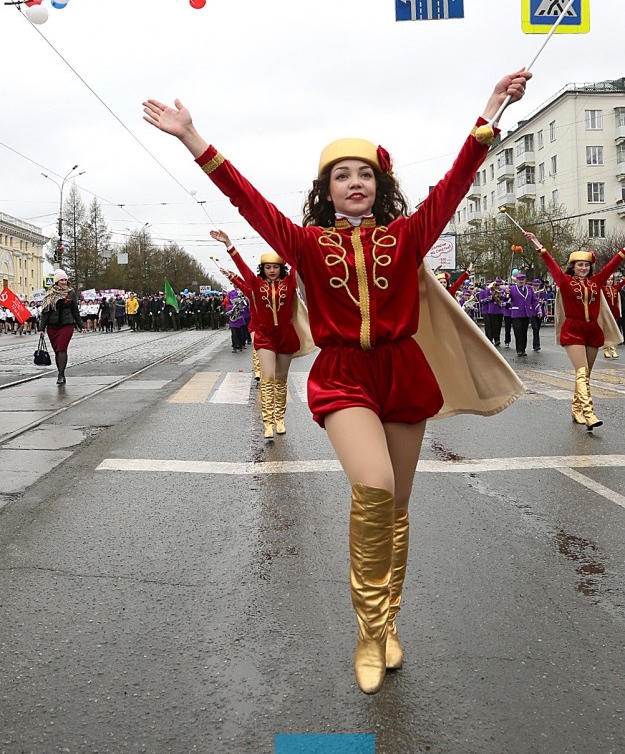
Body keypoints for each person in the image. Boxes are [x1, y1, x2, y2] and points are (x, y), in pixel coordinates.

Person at [143, 68, 530, 695]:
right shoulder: (302, 244)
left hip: (403, 372)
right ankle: (368, 632)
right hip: (345, 374)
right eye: (341, 175)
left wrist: (492, 106)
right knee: (374, 489)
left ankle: (387, 622)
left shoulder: (407, 236)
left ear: (381, 186)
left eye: (366, 174)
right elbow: (247, 199)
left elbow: (458, 182)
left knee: (398, 510)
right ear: (326, 190)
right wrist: (193, 138)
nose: (355, 183)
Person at [211, 229, 312, 438]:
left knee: (281, 380)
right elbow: (242, 269)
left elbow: (299, 260)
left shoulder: (290, 282)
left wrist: (306, 237)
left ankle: (280, 419)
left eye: (275, 267)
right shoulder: (255, 284)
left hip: (286, 335)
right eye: (268, 267)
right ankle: (267, 423)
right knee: (267, 378)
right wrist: (228, 243)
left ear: (281, 268)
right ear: (263, 268)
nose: (272, 270)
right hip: (265, 335)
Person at [524, 234, 625, 429]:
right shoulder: (564, 281)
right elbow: (550, 262)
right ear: (573, 266)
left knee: (586, 375)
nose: (583, 268)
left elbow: (612, 265)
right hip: (573, 331)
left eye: (586, 265)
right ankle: (589, 414)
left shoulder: (597, 281)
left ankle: (576, 409)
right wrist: (537, 243)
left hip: (593, 331)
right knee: (580, 372)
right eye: (580, 265)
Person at [38, 268, 83, 384]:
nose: (63, 282)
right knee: (57, 351)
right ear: (56, 281)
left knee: (62, 348)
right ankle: (60, 371)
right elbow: (45, 312)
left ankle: (61, 375)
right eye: (61, 280)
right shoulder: (50, 293)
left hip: (67, 325)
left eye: (65, 280)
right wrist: (41, 328)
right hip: (52, 326)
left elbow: (75, 310)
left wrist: (81, 325)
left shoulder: (71, 292)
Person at [508, 272, 539, 356]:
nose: (521, 281)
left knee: (524, 332)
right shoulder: (512, 288)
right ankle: (519, 349)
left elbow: (534, 300)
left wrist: (538, 310)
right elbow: (506, 298)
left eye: (522, 280)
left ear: (525, 280)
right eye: (519, 280)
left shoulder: (529, 288)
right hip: (516, 313)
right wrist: (506, 293)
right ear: (517, 280)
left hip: (526, 313)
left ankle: (523, 349)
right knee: (518, 332)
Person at [602, 274, 625, 357]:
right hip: (606, 313)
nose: (610, 281)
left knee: (613, 332)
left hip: (614, 314)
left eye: (611, 279)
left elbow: (622, 283)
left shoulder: (615, 288)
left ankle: (613, 349)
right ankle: (606, 350)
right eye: (608, 279)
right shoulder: (603, 289)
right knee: (607, 332)